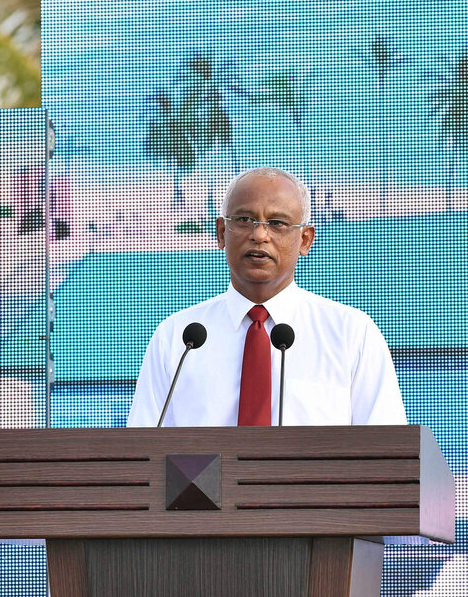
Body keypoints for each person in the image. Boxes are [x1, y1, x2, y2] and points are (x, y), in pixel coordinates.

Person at [128, 166, 405, 427]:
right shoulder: (178, 338)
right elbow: (141, 455)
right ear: (222, 232)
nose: (259, 235)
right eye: (245, 220)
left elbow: (389, 455)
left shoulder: (351, 334)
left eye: (277, 223)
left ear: (305, 240)